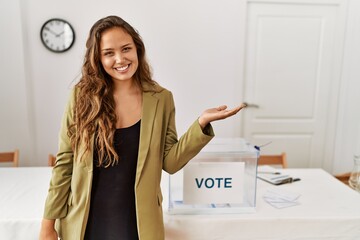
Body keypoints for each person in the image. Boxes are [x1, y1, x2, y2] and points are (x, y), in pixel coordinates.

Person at [39, 15, 245, 240]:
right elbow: (65, 163)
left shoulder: (162, 99)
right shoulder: (81, 97)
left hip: (137, 224)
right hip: (85, 221)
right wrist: (47, 224)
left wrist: (201, 125)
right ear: (98, 58)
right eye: (109, 53)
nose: (120, 59)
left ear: (137, 49)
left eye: (126, 48)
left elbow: (170, 161)